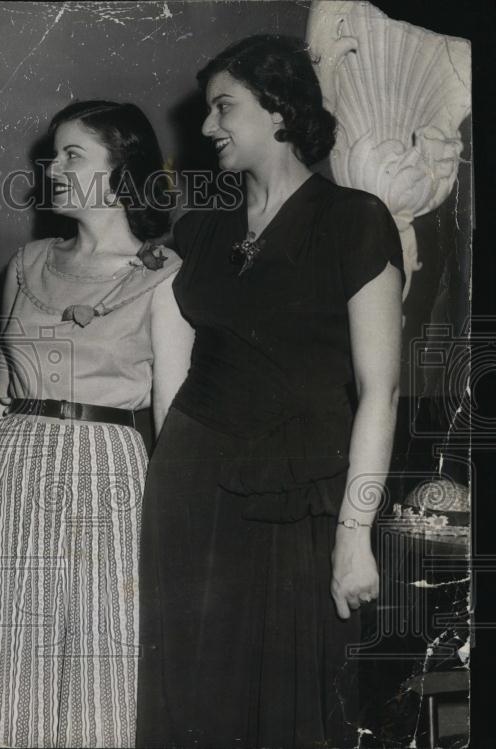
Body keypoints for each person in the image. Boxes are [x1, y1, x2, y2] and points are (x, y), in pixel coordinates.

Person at [136, 35, 404, 748]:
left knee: (292, 702)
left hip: (299, 496)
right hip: (191, 490)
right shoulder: (200, 230)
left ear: (280, 110)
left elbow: (380, 392)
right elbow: (168, 370)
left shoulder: (353, 220)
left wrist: (356, 534)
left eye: (224, 107)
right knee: (192, 697)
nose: (206, 126)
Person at [0, 100, 194, 748]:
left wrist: (174, 528)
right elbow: (2, 391)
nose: (52, 168)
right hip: (13, 473)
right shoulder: (27, 263)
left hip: (106, 480)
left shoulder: (164, 275)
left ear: (121, 170)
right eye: (53, 155)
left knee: (95, 661)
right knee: (6, 659)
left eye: (72, 155)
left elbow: (172, 413)